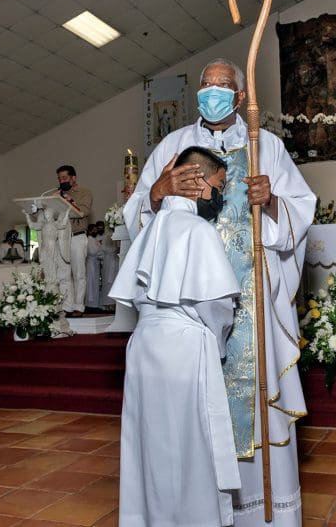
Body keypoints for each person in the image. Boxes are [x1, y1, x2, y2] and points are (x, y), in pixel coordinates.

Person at [125, 58, 316, 525]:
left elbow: (301, 210)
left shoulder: (264, 145)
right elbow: (135, 218)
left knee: (251, 403)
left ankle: (261, 516)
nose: (212, 92)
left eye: (222, 86)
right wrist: (155, 193)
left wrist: (270, 201)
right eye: (206, 86)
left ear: (241, 96)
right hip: (188, 313)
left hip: (249, 303)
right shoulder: (173, 145)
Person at [111, 146, 241, 526]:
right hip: (185, 347)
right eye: (217, 185)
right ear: (197, 181)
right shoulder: (198, 230)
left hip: (144, 344)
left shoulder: (150, 229)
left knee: (150, 444)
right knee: (191, 447)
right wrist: (216, 343)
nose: (219, 195)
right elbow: (215, 304)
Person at [57, 165, 92, 317]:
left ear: (73, 178)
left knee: (79, 274)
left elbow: (83, 211)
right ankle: (67, 306)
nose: (61, 181)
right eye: (59, 178)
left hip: (77, 236)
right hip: (61, 237)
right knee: (63, 274)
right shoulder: (56, 194)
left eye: (64, 178)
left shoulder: (85, 192)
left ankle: (78, 306)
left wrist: (64, 202)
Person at [25, 202, 71, 301]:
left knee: (52, 266)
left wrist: (67, 212)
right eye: (45, 215)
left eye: (48, 214)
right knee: (45, 266)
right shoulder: (42, 225)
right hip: (44, 248)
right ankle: (48, 284)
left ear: (52, 215)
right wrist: (27, 216)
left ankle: (52, 286)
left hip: (52, 247)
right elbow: (32, 226)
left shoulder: (55, 224)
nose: (47, 216)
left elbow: (63, 224)